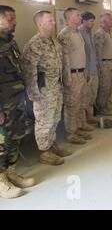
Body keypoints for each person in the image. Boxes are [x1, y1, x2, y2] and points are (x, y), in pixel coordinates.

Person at [22, 11, 72, 165]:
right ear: (40, 24)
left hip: (56, 86)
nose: (54, 23)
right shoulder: (34, 44)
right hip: (43, 91)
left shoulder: (54, 41)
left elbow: (61, 62)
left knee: (55, 118)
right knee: (44, 121)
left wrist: (66, 79)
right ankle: (44, 152)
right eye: (50, 20)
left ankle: (51, 145)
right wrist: (33, 92)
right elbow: (29, 70)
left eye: (53, 20)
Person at [0, 5, 35, 199]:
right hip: (2, 106)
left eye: (14, 18)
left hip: (17, 102)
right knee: (1, 143)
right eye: (10, 19)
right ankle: (1, 181)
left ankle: (11, 172)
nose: (15, 22)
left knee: (16, 137)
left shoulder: (11, 43)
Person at [58, 7, 93, 145]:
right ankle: (72, 133)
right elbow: (64, 59)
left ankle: (80, 125)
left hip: (81, 73)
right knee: (71, 104)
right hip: (72, 75)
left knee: (81, 101)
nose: (80, 18)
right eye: (78, 15)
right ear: (69, 18)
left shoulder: (77, 32)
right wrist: (67, 77)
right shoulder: (64, 35)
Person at [79, 12, 100, 126]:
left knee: (92, 95)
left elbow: (92, 52)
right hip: (86, 72)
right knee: (85, 97)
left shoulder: (89, 32)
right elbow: (82, 55)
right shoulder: (80, 33)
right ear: (84, 21)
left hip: (93, 70)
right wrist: (85, 71)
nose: (93, 23)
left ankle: (90, 117)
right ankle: (83, 121)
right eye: (91, 21)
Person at [95, 13, 112, 118]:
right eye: (110, 20)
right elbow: (98, 52)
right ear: (103, 22)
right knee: (104, 87)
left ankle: (106, 105)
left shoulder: (109, 32)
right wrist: (99, 68)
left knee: (110, 86)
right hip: (103, 64)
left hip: (110, 62)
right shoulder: (100, 33)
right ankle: (101, 108)